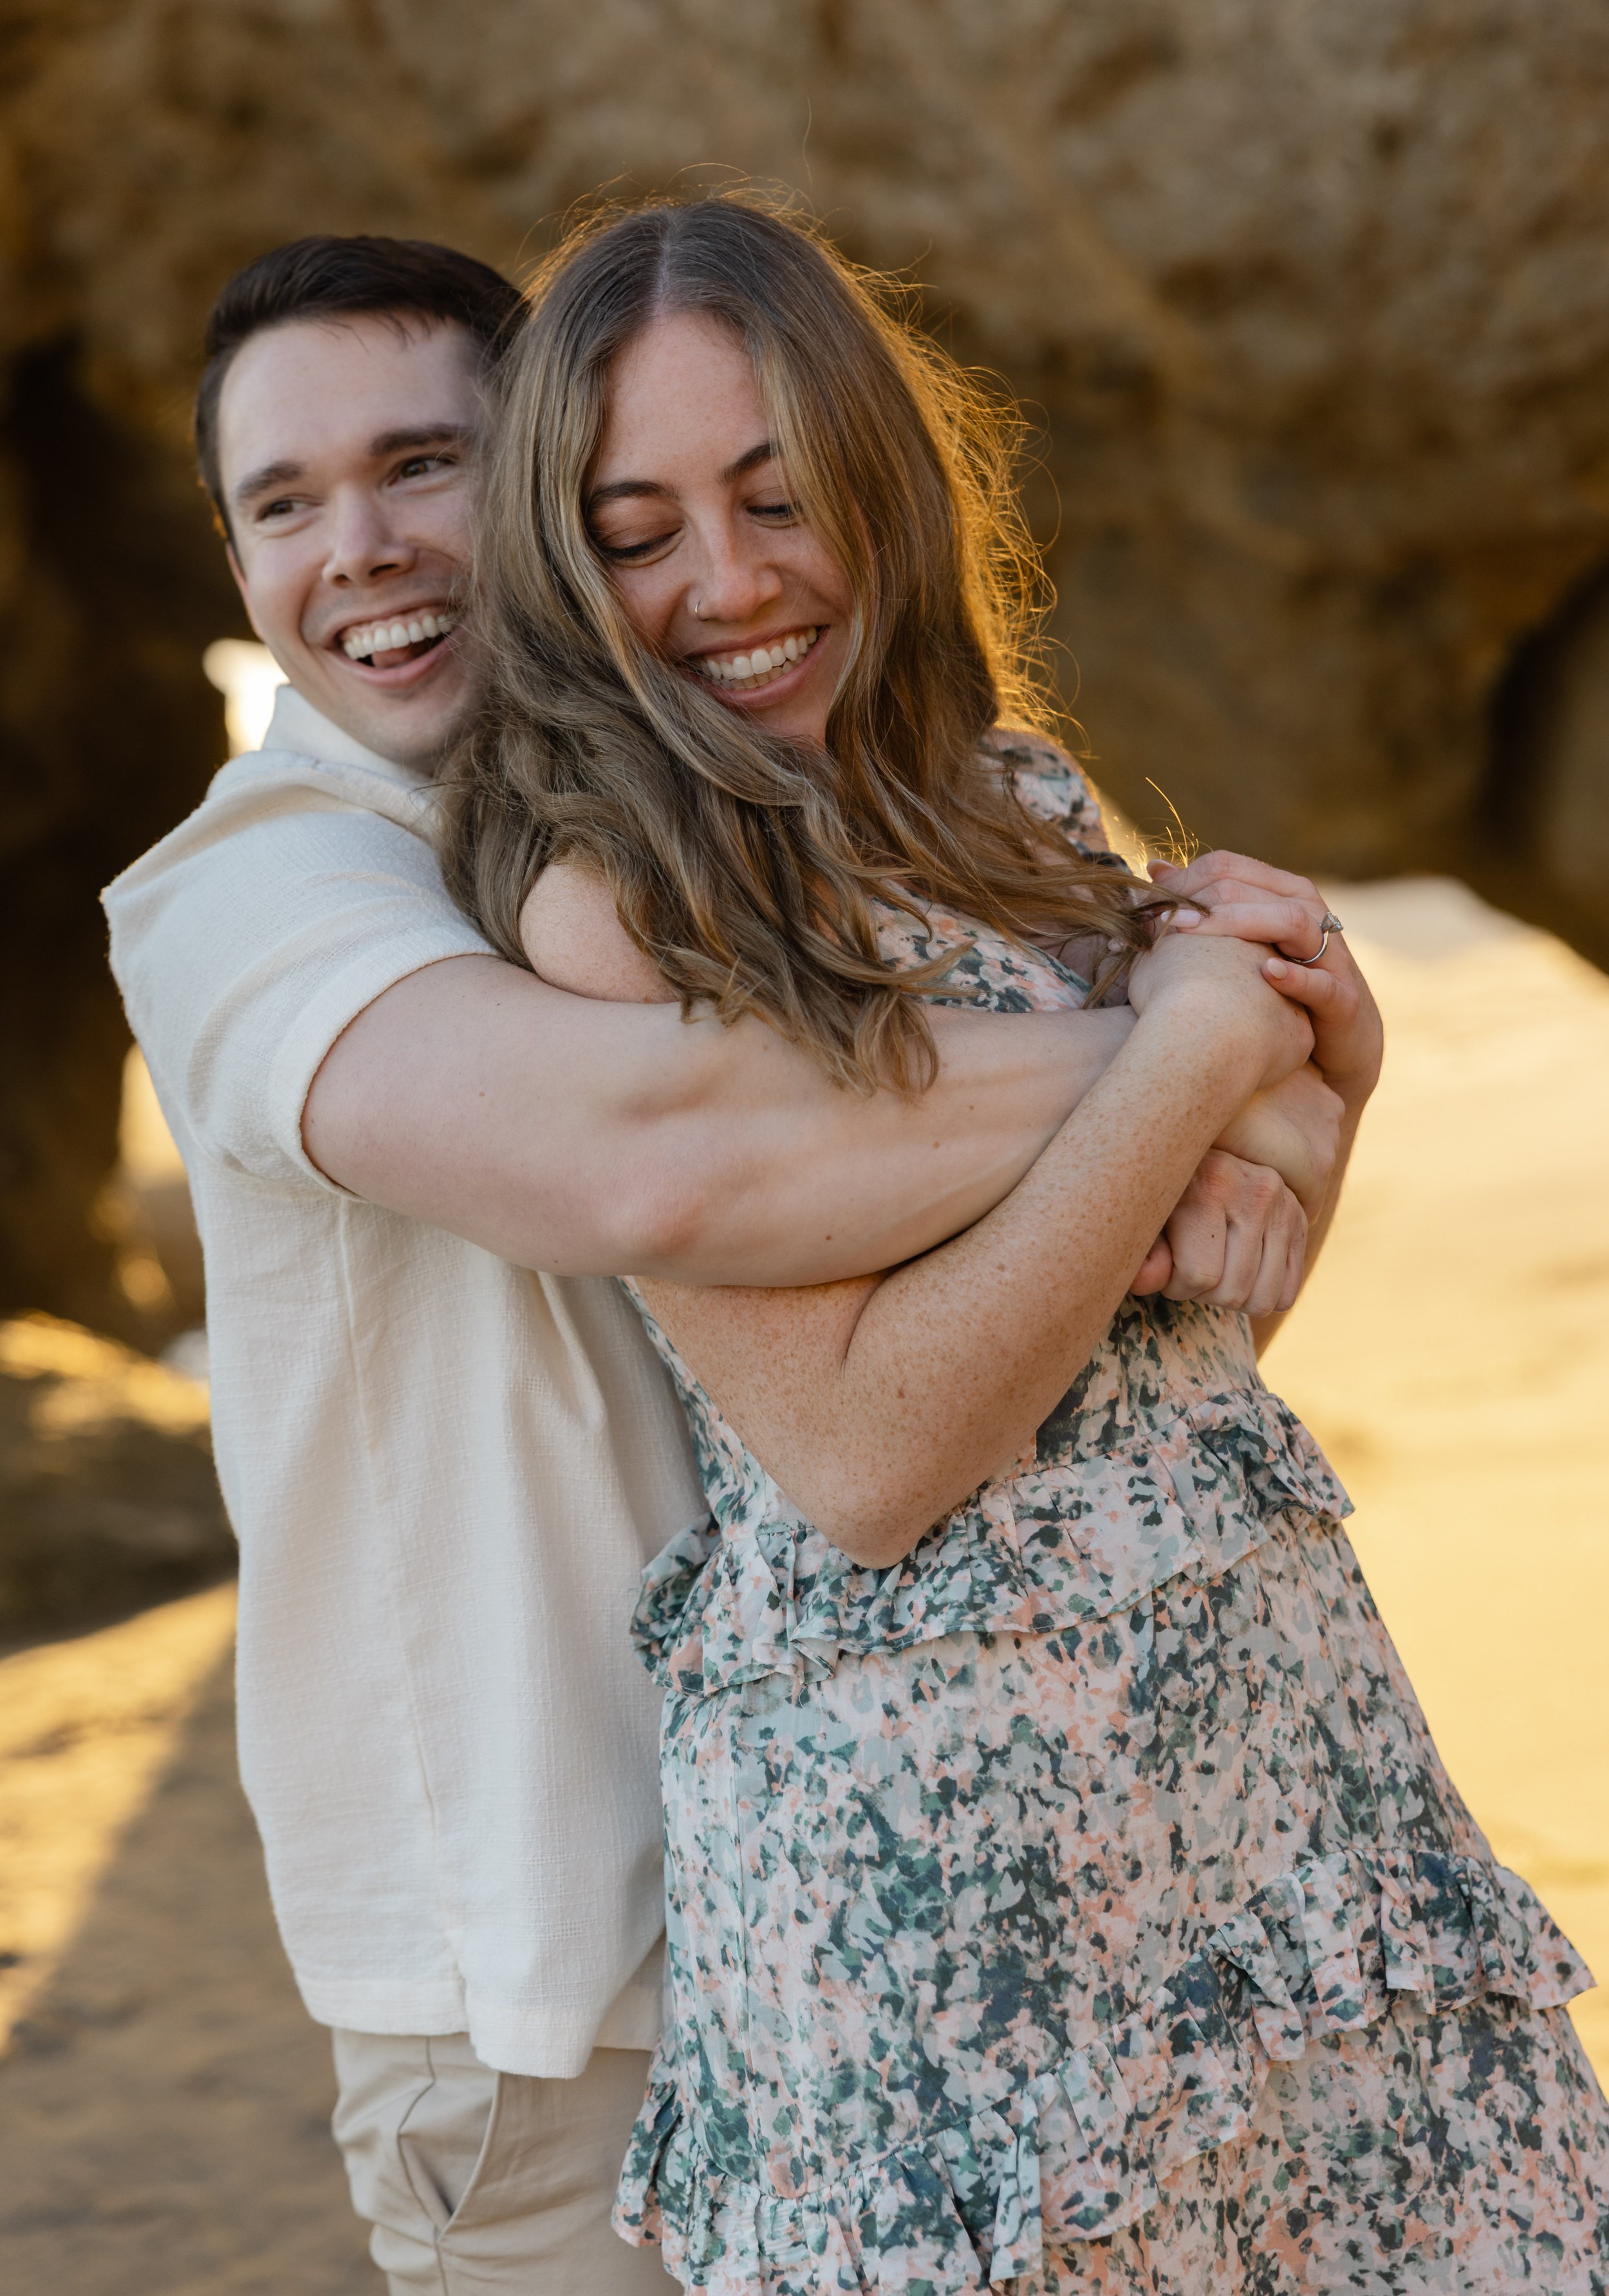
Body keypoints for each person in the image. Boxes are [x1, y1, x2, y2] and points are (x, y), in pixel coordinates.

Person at [101, 235, 1338, 2295]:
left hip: (898, 1901)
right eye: (281, 505)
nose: (362, 550)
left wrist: (1269, 1108)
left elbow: (1124, 1341)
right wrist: (1214, 1045)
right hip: (546, 1982)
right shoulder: (254, 891)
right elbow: (666, 1161)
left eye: (424, 466)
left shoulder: (761, 831)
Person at [450, 194, 1609, 2291]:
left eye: (777, 493)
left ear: (879, 486)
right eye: (639, 529)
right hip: (949, 1871)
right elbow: (867, 1464)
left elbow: (1188, 1340)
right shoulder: (619, 909)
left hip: (1269, 1760)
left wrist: (1292, 1122)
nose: (727, 583)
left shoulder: (1018, 800)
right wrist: (1182, 1060)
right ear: (563, 558)